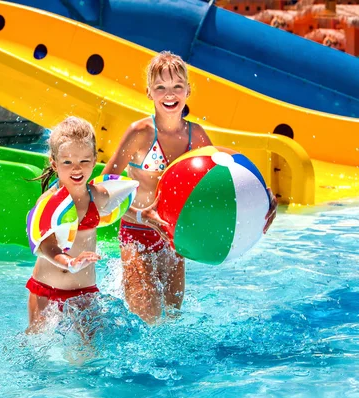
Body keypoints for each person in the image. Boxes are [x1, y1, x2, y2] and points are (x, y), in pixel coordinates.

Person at [101, 51, 278, 324]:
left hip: (176, 239)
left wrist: (264, 196)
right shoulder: (140, 133)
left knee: (172, 321)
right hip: (137, 232)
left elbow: (226, 164)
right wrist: (139, 215)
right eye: (160, 87)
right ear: (149, 92)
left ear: (187, 91)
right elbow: (101, 192)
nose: (169, 94)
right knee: (146, 319)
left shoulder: (196, 136)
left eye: (176, 87)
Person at [25, 116, 138, 333]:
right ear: (54, 163)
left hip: (83, 291)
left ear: (95, 161)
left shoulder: (97, 196)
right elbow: (46, 246)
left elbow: (120, 208)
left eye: (84, 161)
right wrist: (70, 262)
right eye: (67, 162)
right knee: (37, 350)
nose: (77, 169)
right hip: (45, 290)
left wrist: (146, 217)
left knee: (87, 356)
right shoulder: (49, 203)